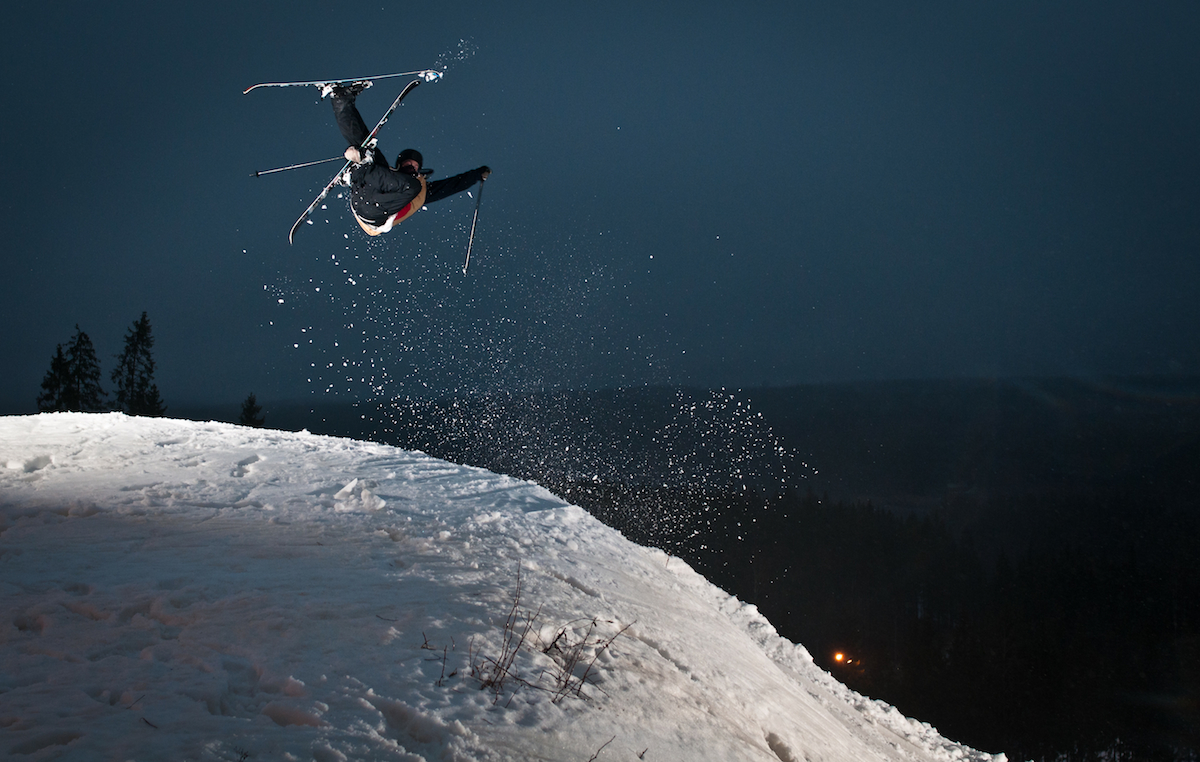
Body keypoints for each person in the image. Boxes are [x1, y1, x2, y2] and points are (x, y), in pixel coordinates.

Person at [329, 84, 490, 236]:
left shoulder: (422, 191)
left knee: (414, 186)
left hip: (374, 214)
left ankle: (357, 170)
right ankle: (341, 101)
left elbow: (453, 185)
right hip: (365, 191)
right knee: (367, 145)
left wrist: (477, 174)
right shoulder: (388, 173)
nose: (411, 165)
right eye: (408, 162)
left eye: (415, 164)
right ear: (399, 165)